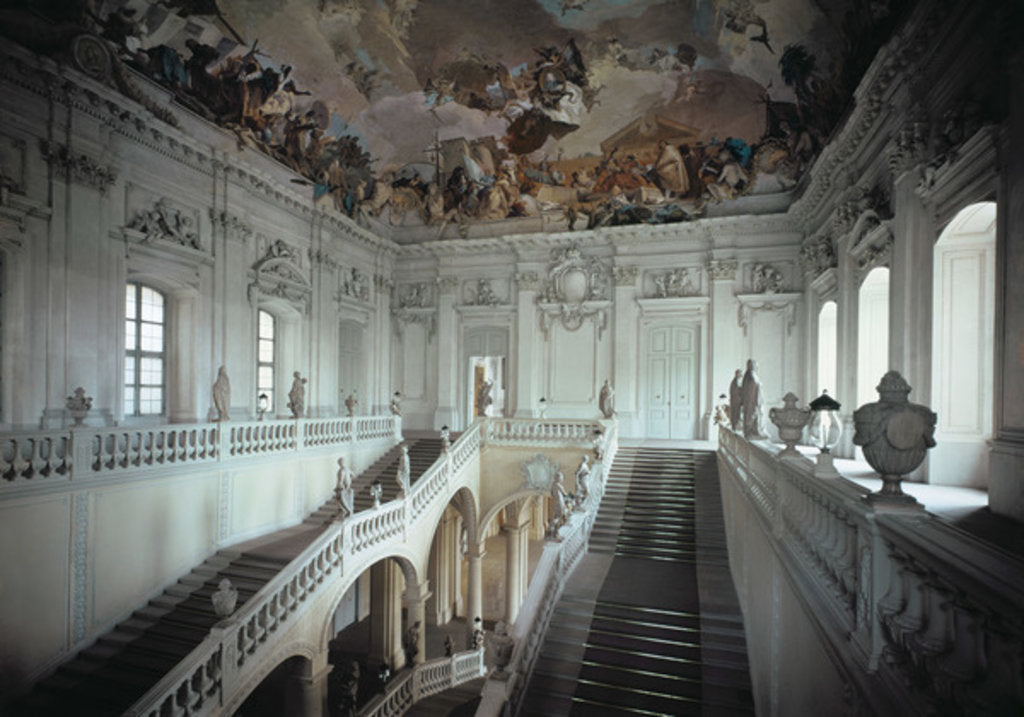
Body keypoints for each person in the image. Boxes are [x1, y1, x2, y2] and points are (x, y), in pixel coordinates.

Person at [741, 359, 767, 438]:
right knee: (753, 415)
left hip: (751, 400)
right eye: (756, 365)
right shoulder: (751, 374)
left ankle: (752, 431)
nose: (757, 367)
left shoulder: (749, 374)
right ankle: (752, 432)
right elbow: (755, 385)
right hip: (752, 400)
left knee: (753, 415)